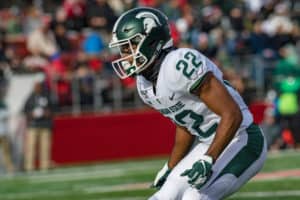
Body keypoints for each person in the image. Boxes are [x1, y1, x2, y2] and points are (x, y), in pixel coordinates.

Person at [109, 7, 267, 200]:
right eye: (123, 49)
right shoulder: (145, 84)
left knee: (194, 197)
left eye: (130, 46)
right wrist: (171, 166)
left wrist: (209, 159)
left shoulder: (179, 63)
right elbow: (184, 124)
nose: (125, 55)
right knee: (165, 196)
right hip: (208, 142)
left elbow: (232, 114)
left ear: (151, 41)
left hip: (243, 138)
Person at [23, 81, 53, 172]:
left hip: (45, 125)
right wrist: (31, 114)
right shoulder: (30, 98)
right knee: (31, 147)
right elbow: (24, 111)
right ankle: (29, 167)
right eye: (36, 87)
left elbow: (54, 109)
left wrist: (48, 112)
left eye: (39, 86)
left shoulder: (46, 96)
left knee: (45, 147)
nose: (37, 88)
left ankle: (45, 166)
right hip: (33, 126)